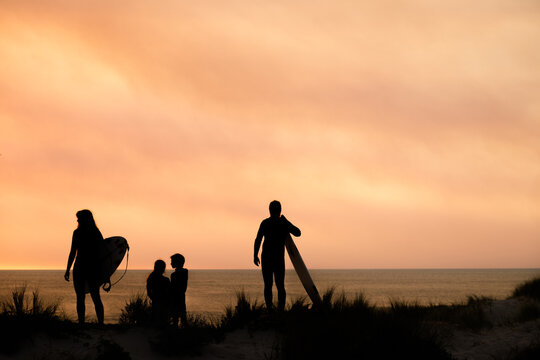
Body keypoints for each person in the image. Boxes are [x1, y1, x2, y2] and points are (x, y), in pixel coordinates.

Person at [253, 200, 301, 311]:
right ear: (280, 211)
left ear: (269, 211)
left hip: (267, 258)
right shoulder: (283, 223)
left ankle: (270, 309)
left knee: (269, 285)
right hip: (278, 259)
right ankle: (280, 310)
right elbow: (298, 232)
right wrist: (287, 221)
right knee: (279, 286)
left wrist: (255, 255)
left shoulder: (265, 223)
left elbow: (258, 239)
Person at [64, 209, 105, 324]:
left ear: (85, 219)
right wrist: (67, 269)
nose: (77, 220)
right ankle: (87, 323)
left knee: (90, 296)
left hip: (87, 268)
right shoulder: (92, 232)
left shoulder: (90, 233)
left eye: (79, 218)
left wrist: (68, 269)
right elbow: (73, 252)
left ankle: (94, 323)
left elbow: (102, 252)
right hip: (85, 268)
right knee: (87, 296)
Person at [146, 259, 170, 326]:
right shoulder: (165, 280)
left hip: (156, 300)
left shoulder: (151, 278)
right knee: (162, 318)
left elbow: (149, 292)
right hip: (163, 301)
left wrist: (153, 297)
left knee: (156, 317)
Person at [170, 253, 188, 327]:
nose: (171, 263)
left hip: (177, 298)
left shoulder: (175, 274)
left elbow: (174, 288)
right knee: (181, 318)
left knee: (176, 318)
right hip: (180, 298)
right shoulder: (184, 272)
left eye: (172, 261)